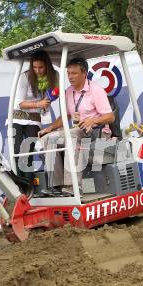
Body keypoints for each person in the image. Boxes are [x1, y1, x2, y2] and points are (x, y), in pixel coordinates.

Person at [38, 57, 115, 193]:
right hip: (78, 131)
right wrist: (50, 128)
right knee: (47, 139)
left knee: (71, 136)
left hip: (97, 132)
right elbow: (66, 116)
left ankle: (72, 186)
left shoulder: (96, 90)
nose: (70, 77)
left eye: (74, 73)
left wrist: (93, 120)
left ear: (84, 73)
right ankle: (55, 185)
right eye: (68, 73)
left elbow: (110, 117)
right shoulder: (68, 91)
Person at [12, 50, 58, 179]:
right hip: (18, 117)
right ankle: (20, 186)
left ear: (47, 66)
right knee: (16, 151)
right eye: (35, 67)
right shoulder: (25, 76)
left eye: (41, 67)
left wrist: (49, 98)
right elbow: (19, 103)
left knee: (28, 151)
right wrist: (39, 104)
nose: (37, 70)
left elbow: (55, 93)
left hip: (34, 119)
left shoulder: (54, 76)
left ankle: (29, 186)